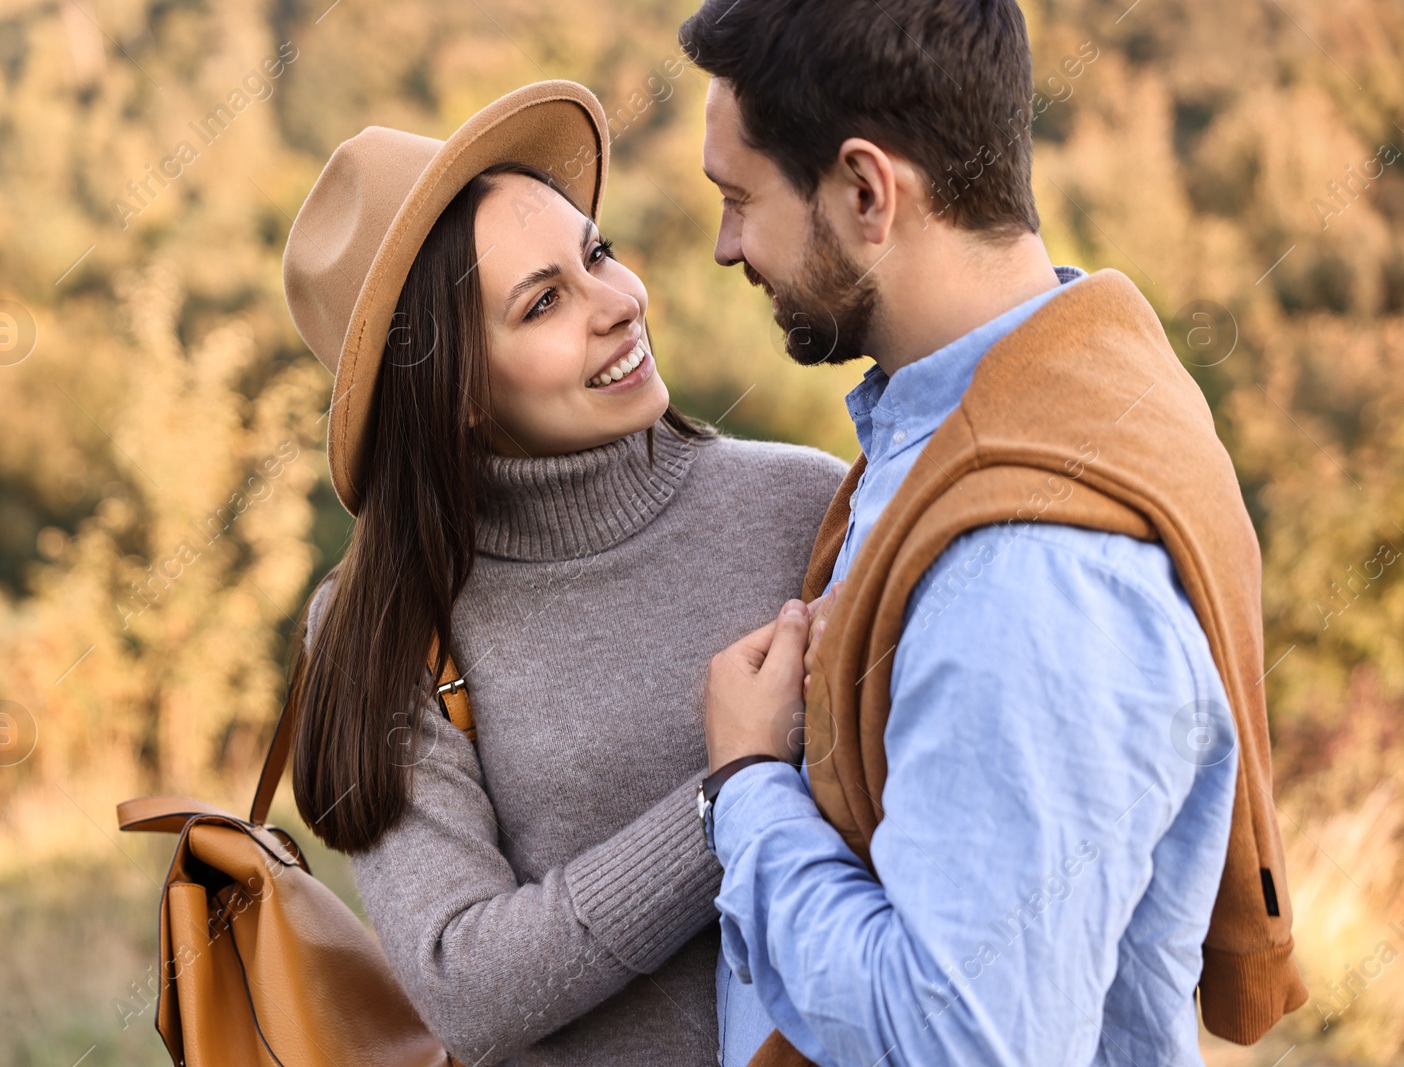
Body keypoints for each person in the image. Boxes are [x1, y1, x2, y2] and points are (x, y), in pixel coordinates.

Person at [678, 1, 1309, 1065]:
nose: (724, 245)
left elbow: (960, 1038)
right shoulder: (1043, 394)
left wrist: (746, 787)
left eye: (740, 200)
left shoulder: (1025, 572)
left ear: (867, 191)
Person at [280, 81, 847, 1066]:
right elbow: (468, 985)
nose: (619, 304)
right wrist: (729, 795)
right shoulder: (383, 625)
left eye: (598, 256)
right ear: (452, 387)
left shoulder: (807, 508)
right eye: (544, 302)